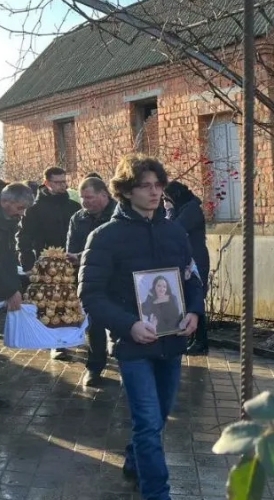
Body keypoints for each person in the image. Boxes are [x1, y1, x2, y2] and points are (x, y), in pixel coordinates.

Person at [79, 154, 203, 500]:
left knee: (159, 418)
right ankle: (157, 493)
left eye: (158, 185)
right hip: (134, 346)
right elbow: (90, 294)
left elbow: (192, 279)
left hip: (172, 342)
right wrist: (128, 325)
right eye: (144, 186)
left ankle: (134, 460)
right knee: (148, 424)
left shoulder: (175, 232)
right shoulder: (105, 237)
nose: (154, 192)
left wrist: (194, 311)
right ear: (126, 192)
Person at [17, 167, 81, 361]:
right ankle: (56, 344)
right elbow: (23, 238)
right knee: (51, 305)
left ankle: (72, 337)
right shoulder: (34, 209)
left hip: (72, 262)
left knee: (71, 302)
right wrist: (28, 264)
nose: (63, 185)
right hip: (46, 265)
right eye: (58, 182)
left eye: (64, 181)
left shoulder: (73, 206)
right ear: (47, 183)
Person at [0, 182, 35, 411]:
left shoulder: (4, 216)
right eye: (20, 208)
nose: (21, 213)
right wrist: (10, 289)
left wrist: (16, 283)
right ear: (6, 202)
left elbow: (7, 256)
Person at [66, 176, 117, 387]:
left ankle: (130, 364)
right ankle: (94, 368)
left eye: (89, 197)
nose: (84, 202)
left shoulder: (120, 214)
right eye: (82, 198)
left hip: (118, 278)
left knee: (120, 325)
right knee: (93, 325)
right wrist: (76, 257)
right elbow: (71, 247)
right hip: (92, 279)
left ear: (104, 195)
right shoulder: (78, 218)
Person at [163, 181, 210, 355]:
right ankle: (193, 338)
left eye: (167, 198)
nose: (165, 202)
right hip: (186, 258)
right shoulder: (185, 207)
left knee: (196, 300)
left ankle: (201, 342)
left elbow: (174, 229)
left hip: (196, 259)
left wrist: (169, 210)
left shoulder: (191, 209)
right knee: (185, 298)